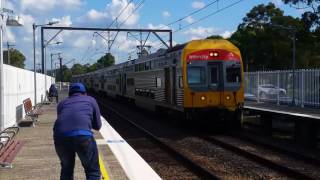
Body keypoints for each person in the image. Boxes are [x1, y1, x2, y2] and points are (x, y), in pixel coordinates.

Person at [53, 83, 102, 180]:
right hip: (83, 137)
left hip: (60, 137)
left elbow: (63, 121)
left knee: (66, 170)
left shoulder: (62, 103)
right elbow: (98, 126)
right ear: (85, 93)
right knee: (93, 171)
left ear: (69, 94)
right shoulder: (91, 100)